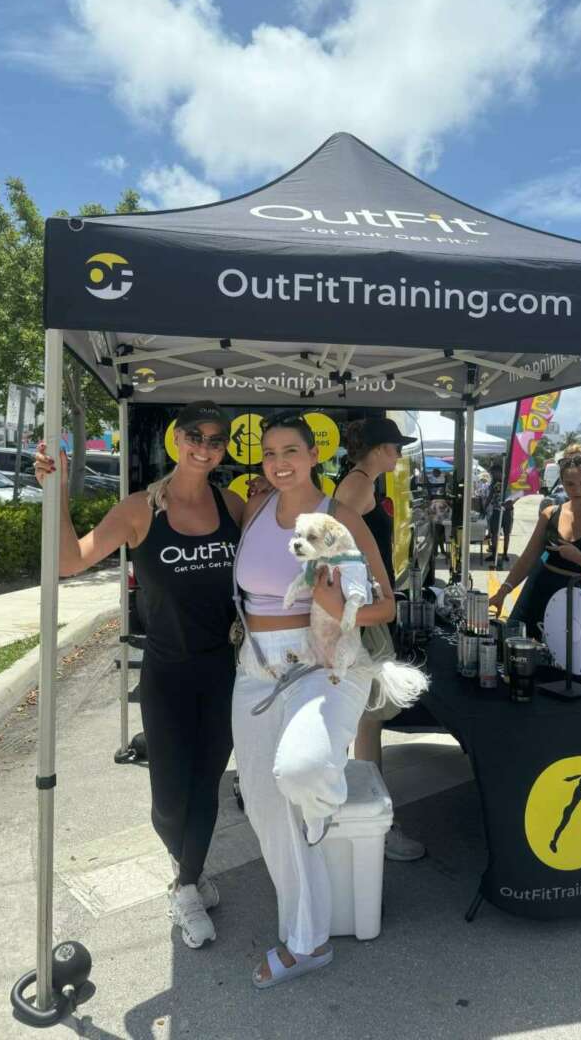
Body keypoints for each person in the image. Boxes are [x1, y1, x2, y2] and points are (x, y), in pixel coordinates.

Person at [34, 401, 243, 949]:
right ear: (177, 438)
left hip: (223, 670)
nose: (204, 447)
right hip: (167, 672)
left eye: (216, 440)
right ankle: (187, 865)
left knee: (206, 783)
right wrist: (56, 492)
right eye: (195, 435)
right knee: (170, 797)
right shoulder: (139, 509)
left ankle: (187, 882)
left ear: (224, 448)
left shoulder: (233, 505)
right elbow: (70, 561)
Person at [232, 411, 396, 989]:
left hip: (323, 663)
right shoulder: (253, 509)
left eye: (291, 451)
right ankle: (308, 941)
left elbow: (386, 605)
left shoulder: (340, 516)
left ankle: (319, 804)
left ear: (313, 455)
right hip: (256, 666)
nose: (280, 462)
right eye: (270, 452)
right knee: (263, 803)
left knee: (300, 772)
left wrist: (337, 607)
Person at [335, 418, 427, 862]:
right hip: (365, 616)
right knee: (367, 715)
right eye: (395, 447)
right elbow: (337, 551)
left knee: (363, 715)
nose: (399, 454)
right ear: (376, 449)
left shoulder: (361, 482)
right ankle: (373, 820)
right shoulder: (356, 487)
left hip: (367, 611)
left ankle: (363, 812)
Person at [489, 448, 581, 636]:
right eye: (570, 484)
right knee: (516, 647)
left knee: (567, 653)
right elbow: (527, 559)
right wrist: (503, 592)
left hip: (578, 600)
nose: (577, 490)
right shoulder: (550, 514)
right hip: (537, 592)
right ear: (562, 484)